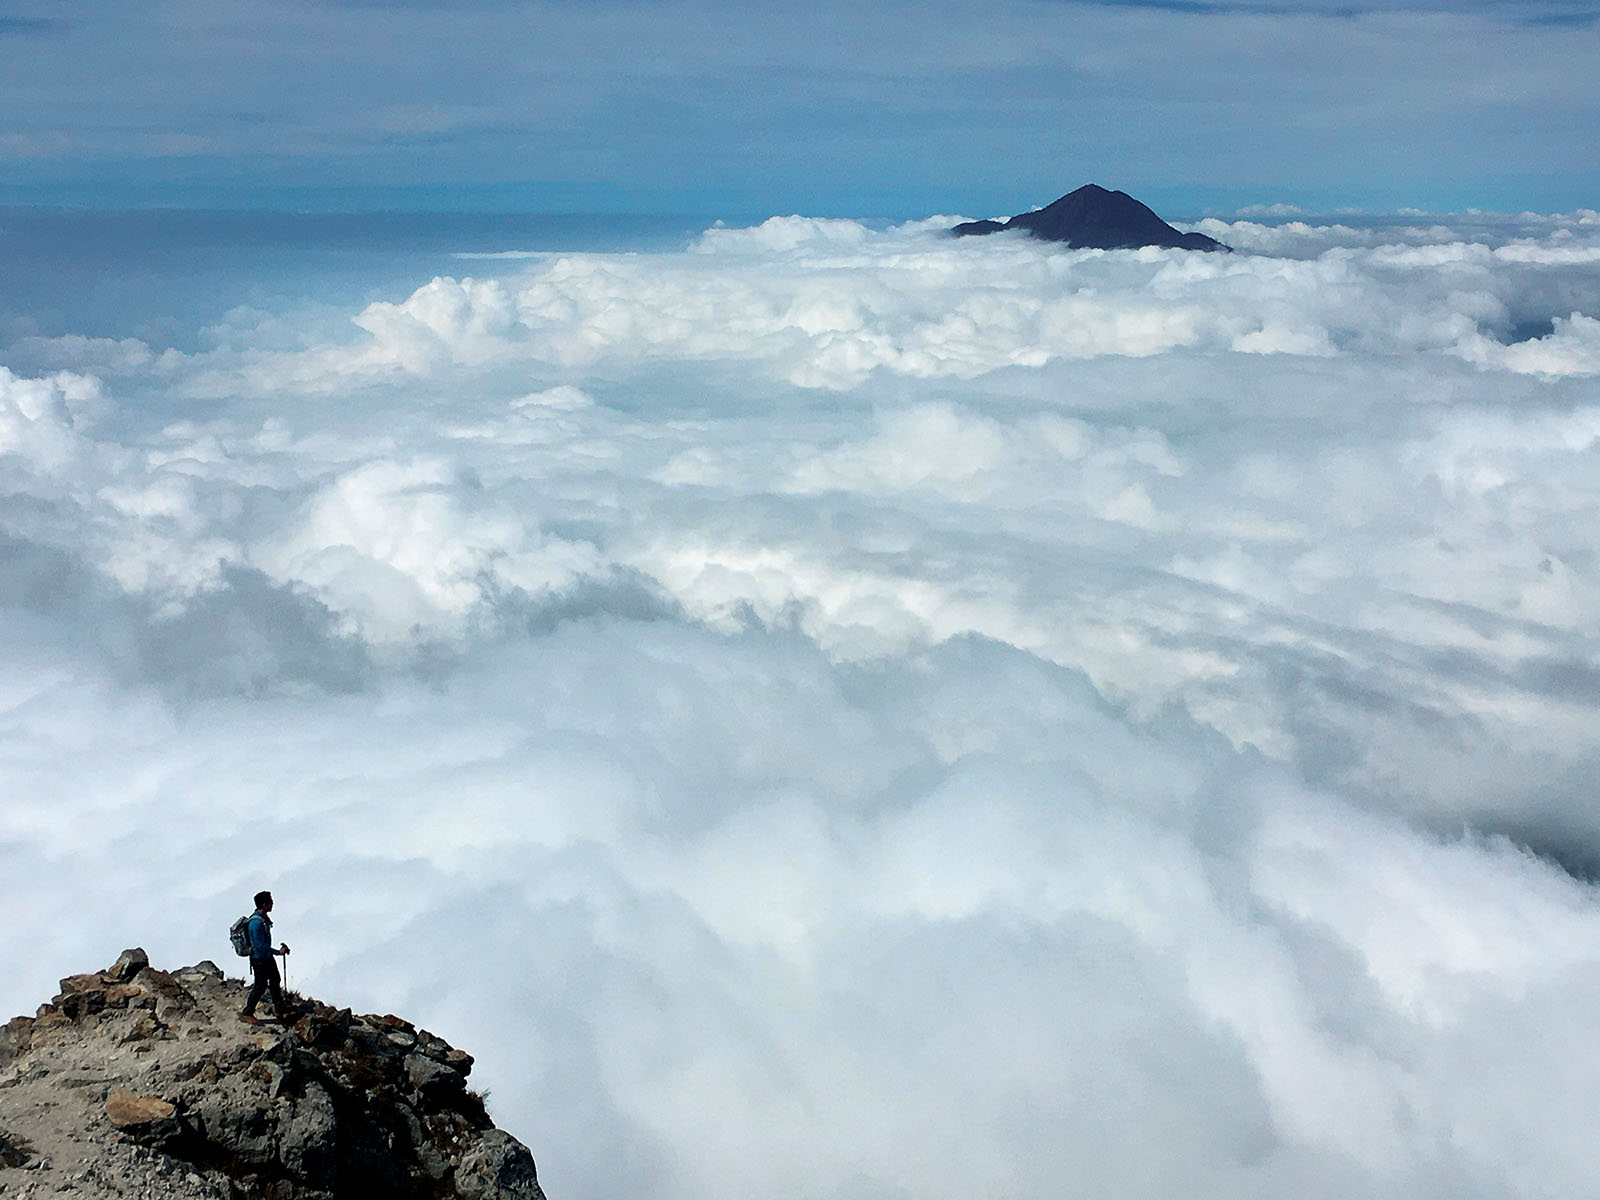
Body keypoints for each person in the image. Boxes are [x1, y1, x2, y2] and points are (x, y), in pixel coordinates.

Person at [240, 889, 294, 1022]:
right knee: (260, 985)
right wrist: (278, 952)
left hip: (265, 957)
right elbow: (259, 946)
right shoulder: (256, 923)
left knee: (275, 979)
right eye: (270, 902)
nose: (272, 904)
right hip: (259, 958)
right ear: (264, 904)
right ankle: (248, 1012)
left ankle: (279, 1007)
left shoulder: (262, 919)